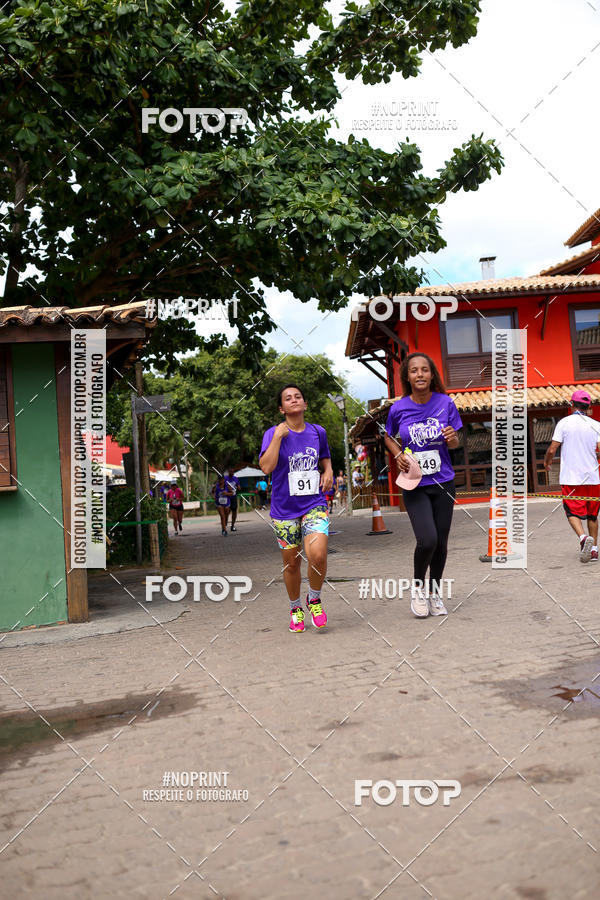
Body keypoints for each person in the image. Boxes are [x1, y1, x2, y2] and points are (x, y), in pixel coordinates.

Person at [383, 352, 462, 618]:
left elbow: (455, 444)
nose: (420, 374)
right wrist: (397, 455)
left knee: (441, 543)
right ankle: (418, 588)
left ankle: (435, 593)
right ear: (407, 376)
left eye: (425, 370)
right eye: (414, 370)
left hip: (443, 483)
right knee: (427, 540)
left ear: (432, 375)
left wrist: (451, 438)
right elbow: (388, 437)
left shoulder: (446, 403)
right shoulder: (398, 408)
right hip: (414, 483)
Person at [259, 384, 334, 633]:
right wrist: (279, 437)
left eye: (298, 396)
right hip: (284, 509)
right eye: (288, 398)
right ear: (282, 408)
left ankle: (314, 599)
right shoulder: (273, 433)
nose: (294, 400)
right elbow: (266, 467)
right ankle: (295, 608)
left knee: (318, 555)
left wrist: (329, 470)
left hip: (314, 503)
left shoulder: (317, 431)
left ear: (305, 403)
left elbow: (324, 456)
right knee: (292, 564)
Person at [544, 390, 600, 563]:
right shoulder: (596, 424)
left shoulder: (564, 423)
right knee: (592, 515)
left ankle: (583, 538)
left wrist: (547, 463)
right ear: (588, 406)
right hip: (593, 478)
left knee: (571, 511)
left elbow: (552, 449)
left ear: (572, 404)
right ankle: (594, 551)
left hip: (571, 478)